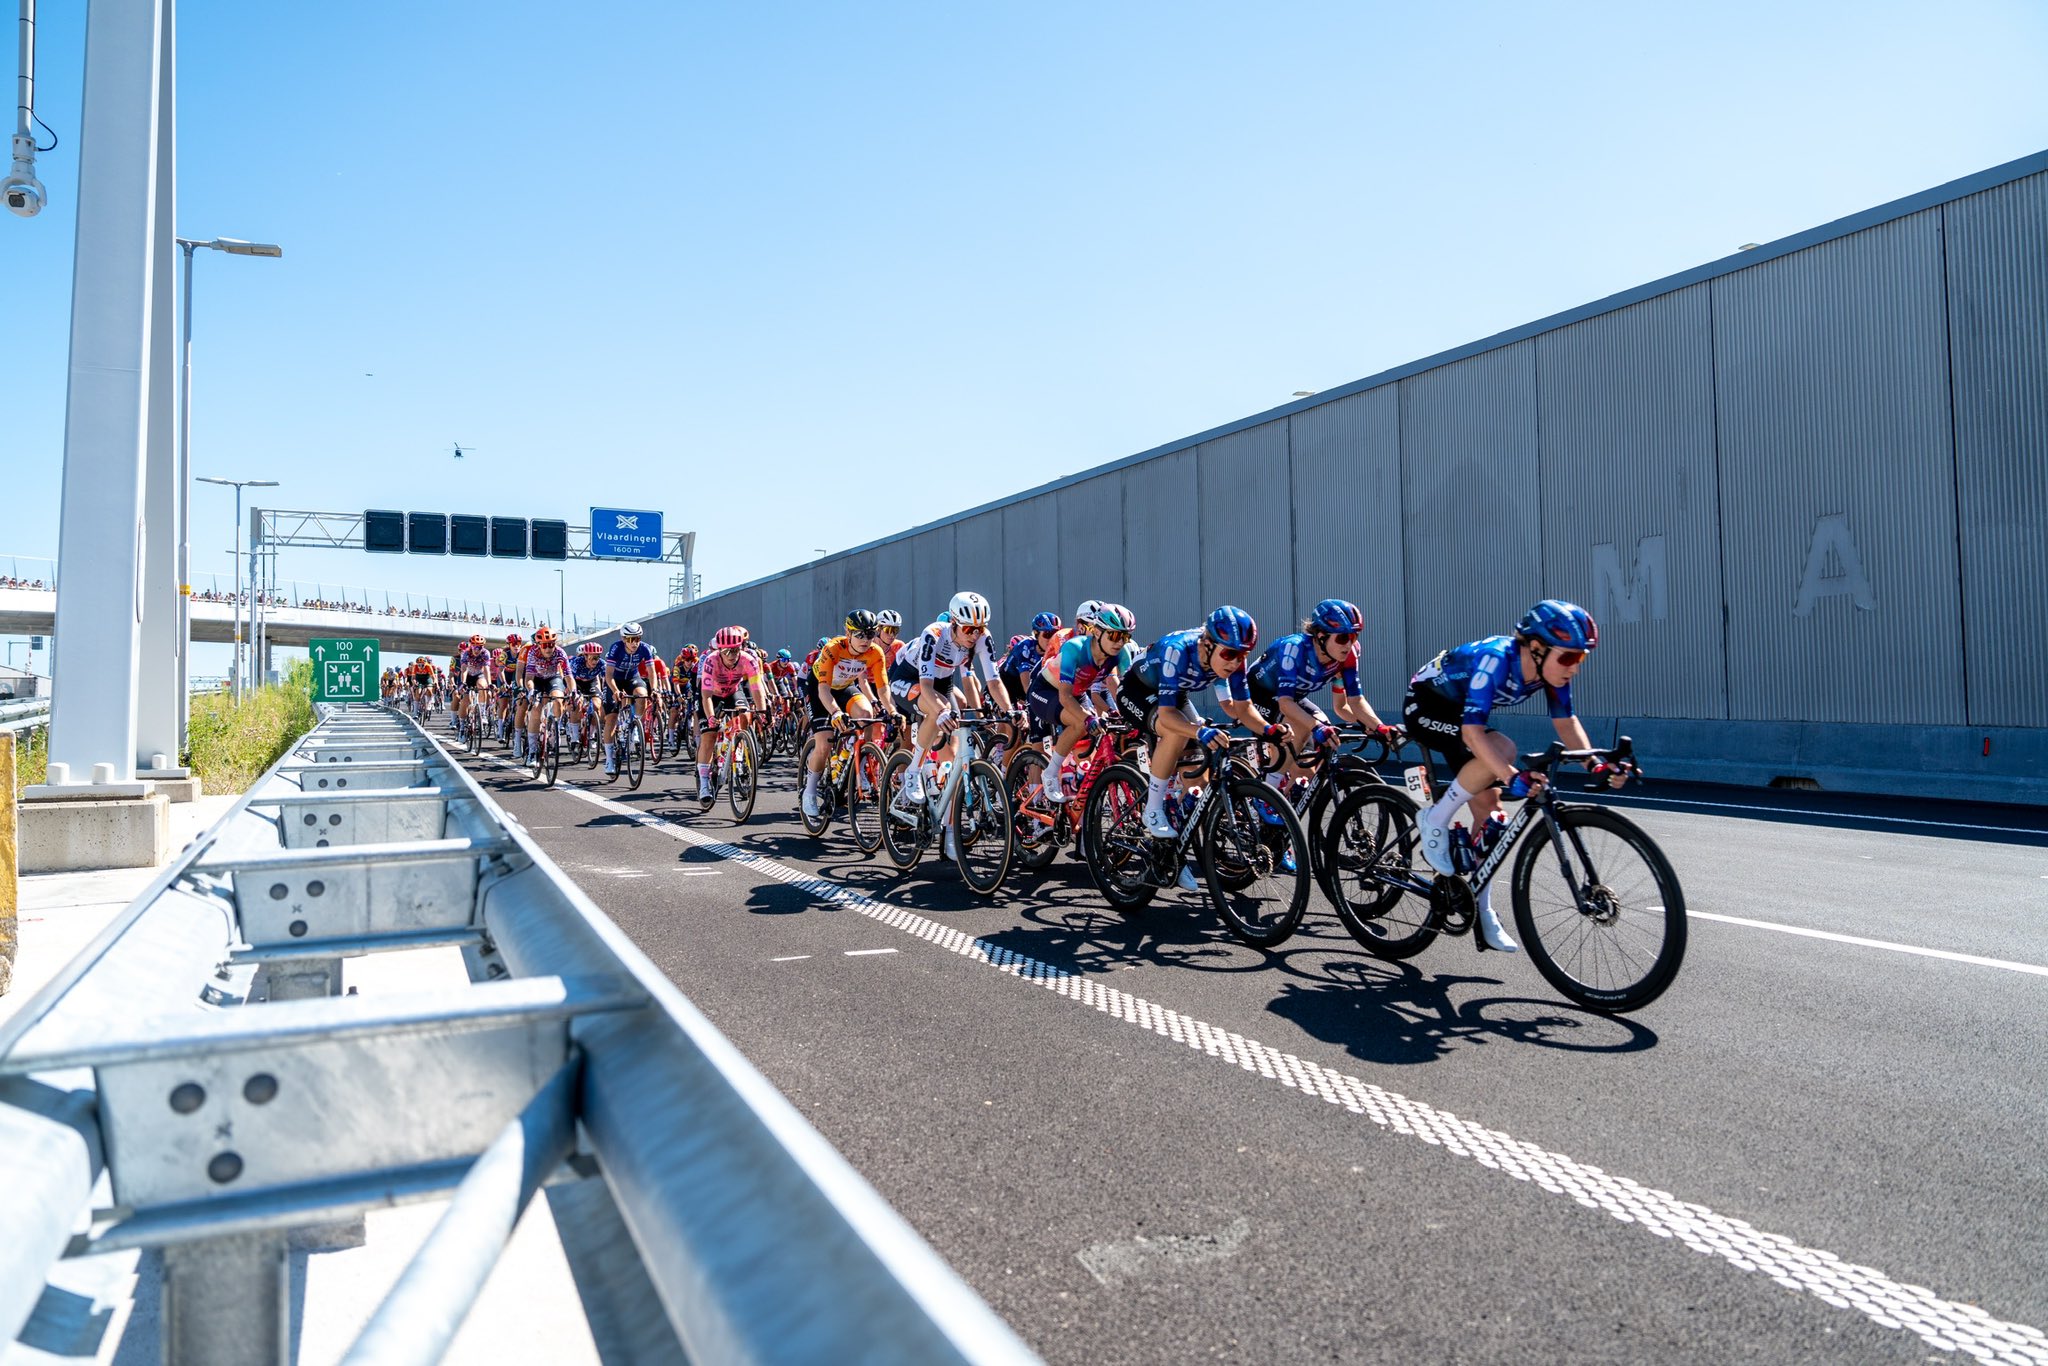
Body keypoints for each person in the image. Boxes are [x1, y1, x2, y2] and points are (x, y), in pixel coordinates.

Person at [1403, 599, 1629, 953]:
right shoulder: (1496, 659)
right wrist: (1511, 777)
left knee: (1492, 817)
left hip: (1461, 714)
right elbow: (1472, 735)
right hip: (1427, 706)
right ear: (1536, 649)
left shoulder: (1550, 670)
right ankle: (1435, 817)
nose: (1575, 668)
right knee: (1504, 749)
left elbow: (1567, 724)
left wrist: (1596, 763)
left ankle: (1480, 906)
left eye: (1580, 658)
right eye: (1569, 657)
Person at [1115, 606, 1280, 844]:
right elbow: (1168, 715)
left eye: (1243, 655)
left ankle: (1176, 832)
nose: (1235, 663)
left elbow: (1243, 708)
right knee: (1175, 733)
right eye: (1230, 654)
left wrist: (1269, 729)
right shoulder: (1178, 650)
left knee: (1198, 781)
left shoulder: (1233, 656)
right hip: (1136, 691)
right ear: (1208, 644)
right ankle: (1152, 811)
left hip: (1174, 695)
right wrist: (1199, 730)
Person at [1246, 598, 1398, 783]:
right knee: (1302, 728)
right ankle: (1266, 796)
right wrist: (1316, 727)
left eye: (1354, 636)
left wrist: (1378, 726)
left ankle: (1288, 799)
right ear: (1321, 635)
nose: (1348, 645)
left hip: (1292, 698)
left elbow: (1349, 704)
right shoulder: (1294, 648)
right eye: (1342, 637)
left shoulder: (1348, 656)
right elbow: (1285, 704)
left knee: (1312, 759)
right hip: (1259, 695)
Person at [893, 591, 1012, 819]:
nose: (974, 635)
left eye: (980, 628)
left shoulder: (982, 637)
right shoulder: (934, 634)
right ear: (954, 623)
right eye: (968, 629)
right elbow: (926, 687)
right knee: (935, 715)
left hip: (943, 682)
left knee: (952, 754)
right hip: (910, 678)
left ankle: (948, 831)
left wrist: (1010, 711)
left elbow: (994, 682)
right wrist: (941, 711)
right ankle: (914, 769)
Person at [1030, 604, 1135, 804]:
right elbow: (1064, 697)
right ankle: (1050, 774)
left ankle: (1079, 790)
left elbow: (1125, 690)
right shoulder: (1075, 648)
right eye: (1113, 635)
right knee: (1080, 723)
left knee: (1089, 738)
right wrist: (1088, 718)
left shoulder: (1120, 655)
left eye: (1125, 637)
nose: (1119, 643)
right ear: (1096, 631)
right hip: (1046, 691)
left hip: (1076, 694)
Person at [804, 611, 889, 821]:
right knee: (824, 744)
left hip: (843, 687)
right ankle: (809, 790)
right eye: (859, 635)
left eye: (870, 634)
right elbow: (823, 689)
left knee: (868, 714)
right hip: (820, 689)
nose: (865, 640)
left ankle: (860, 763)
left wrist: (892, 711)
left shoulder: (875, 652)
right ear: (848, 633)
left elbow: (883, 688)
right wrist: (835, 712)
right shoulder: (833, 648)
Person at [696, 626, 765, 806]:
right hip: (712, 695)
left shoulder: (749, 660)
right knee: (709, 735)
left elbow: (757, 689)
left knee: (745, 714)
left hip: (733, 691)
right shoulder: (711, 661)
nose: (733, 655)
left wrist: (763, 711)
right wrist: (711, 717)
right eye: (727, 651)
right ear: (719, 650)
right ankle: (704, 782)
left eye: (736, 649)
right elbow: (706, 696)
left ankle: (739, 749)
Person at [602, 623, 658, 778]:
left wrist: (655, 690)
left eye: (637, 639)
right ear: (623, 639)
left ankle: (634, 727)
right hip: (615, 680)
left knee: (642, 695)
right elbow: (608, 675)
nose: (634, 643)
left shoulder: (645, 648)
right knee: (611, 718)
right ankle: (609, 759)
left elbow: (652, 673)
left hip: (633, 678)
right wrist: (615, 691)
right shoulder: (616, 648)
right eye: (631, 639)